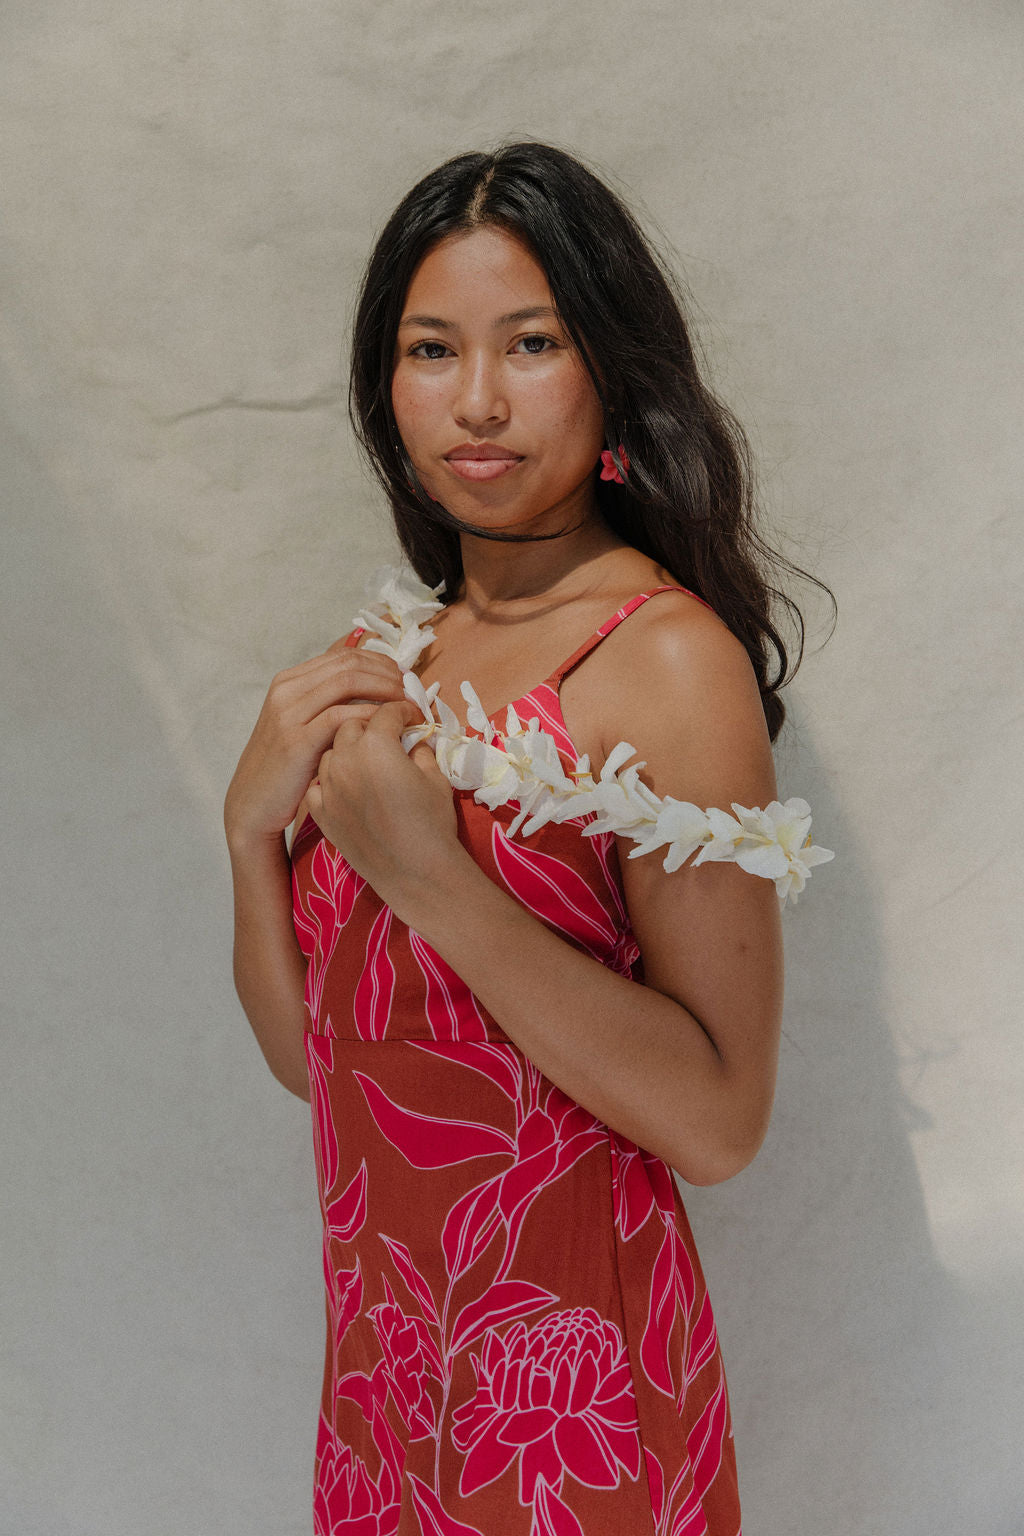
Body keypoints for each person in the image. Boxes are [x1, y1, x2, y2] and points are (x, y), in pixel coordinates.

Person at [224, 142, 833, 1536]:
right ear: (385, 383)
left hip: (571, 1420)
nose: (479, 401)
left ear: (611, 369)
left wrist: (429, 877)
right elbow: (321, 1064)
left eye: (534, 343)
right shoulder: (390, 654)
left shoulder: (661, 658)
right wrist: (248, 835)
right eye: (432, 349)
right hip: (388, 1396)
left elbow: (719, 1122)